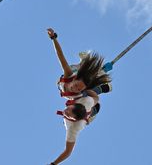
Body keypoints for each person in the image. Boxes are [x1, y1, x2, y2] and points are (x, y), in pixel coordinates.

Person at [47, 28, 111, 164]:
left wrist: (54, 163)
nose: (66, 111)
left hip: (90, 109)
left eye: (68, 113)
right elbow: (60, 56)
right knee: (87, 85)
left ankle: (99, 81)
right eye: (76, 86)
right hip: (88, 98)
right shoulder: (73, 80)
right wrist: (54, 38)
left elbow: (68, 152)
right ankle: (87, 65)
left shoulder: (73, 128)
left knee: (88, 93)